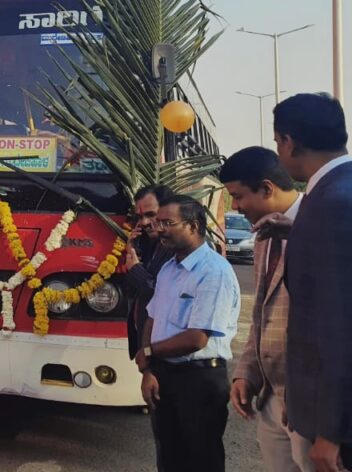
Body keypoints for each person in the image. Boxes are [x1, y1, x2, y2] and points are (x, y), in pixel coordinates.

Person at [272, 92, 352, 472]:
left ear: (289, 142)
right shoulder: (334, 193)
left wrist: (331, 432)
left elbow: (340, 327)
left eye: (277, 142)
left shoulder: (333, 204)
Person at [220, 146, 310, 472]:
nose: (234, 206)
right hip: (272, 400)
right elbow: (261, 312)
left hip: (314, 402)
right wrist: (247, 372)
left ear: (267, 188)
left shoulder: (326, 222)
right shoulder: (263, 235)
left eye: (237, 196)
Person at [136, 194, 240, 472]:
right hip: (165, 375)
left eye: (167, 223)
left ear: (193, 226)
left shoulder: (214, 272)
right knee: (169, 458)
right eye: (157, 223)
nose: (159, 229)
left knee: (201, 460)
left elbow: (196, 339)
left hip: (199, 381)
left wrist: (148, 352)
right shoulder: (168, 269)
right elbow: (153, 318)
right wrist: (149, 369)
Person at [123, 184, 175, 362]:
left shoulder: (177, 249)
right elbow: (133, 293)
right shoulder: (151, 245)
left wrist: (136, 270)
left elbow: (162, 293)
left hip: (165, 347)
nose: (144, 222)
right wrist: (133, 250)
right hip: (147, 343)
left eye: (151, 215)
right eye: (140, 217)